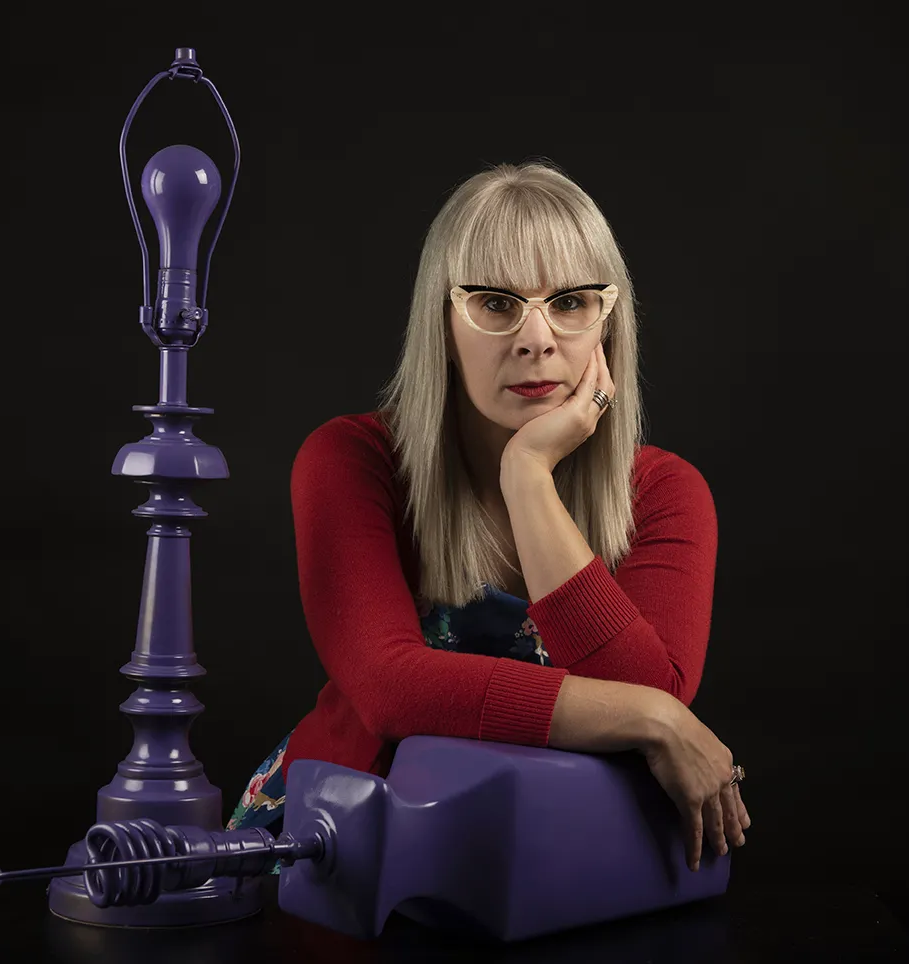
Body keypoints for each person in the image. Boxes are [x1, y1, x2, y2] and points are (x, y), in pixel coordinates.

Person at [226, 160, 750, 875]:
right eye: (496, 304)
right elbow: (390, 688)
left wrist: (528, 480)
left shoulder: (665, 492)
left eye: (570, 302)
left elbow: (649, 683)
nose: (536, 339)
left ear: (609, 322)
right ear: (442, 324)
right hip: (343, 845)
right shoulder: (350, 459)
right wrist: (654, 720)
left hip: (553, 861)